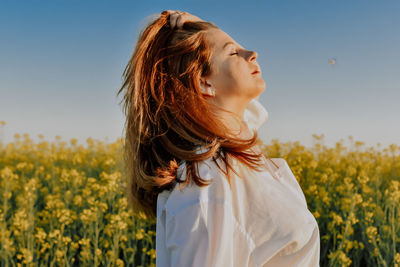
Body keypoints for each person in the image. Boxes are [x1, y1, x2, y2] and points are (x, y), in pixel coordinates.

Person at [117, 10, 320, 267]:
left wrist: (208, 29)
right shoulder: (205, 186)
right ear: (204, 84)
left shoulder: (235, 156)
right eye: (234, 52)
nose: (252, 53)